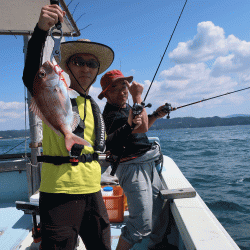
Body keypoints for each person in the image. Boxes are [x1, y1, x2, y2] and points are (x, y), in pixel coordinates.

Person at [22, 5, 142, 250]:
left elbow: (103, 144)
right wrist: (41, 30)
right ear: (67, 66)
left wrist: (129, 126)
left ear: (98, 71)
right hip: (59, 192)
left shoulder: (93, 106)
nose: (86, 68)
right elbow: (32, 76)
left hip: (93, 190)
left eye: (92, 64)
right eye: (79, 62)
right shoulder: (59, 93)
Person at [98, 69, 170, 250]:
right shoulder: (110, 115)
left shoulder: (126, 109)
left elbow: (140, 128)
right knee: (140, 225)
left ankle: (155, 246)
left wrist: (156, 115)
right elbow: (142, 127)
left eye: (125, 85)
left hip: (148, 164)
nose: (123, 90)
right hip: (132, 169)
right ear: (106, 93)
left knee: (159, 211)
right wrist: (137, 97)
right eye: (116, 87)